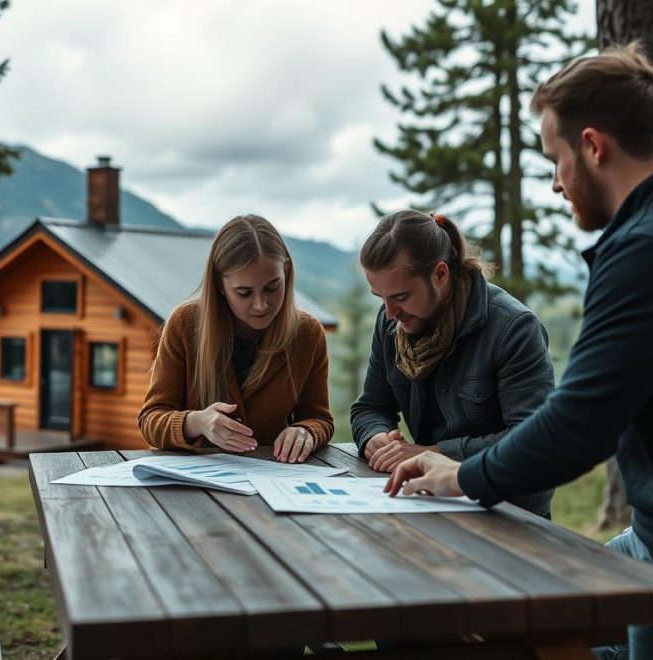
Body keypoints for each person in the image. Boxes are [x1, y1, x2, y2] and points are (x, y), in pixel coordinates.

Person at [385, 43, 653, 660]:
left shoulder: (638, 249)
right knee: (539, 616)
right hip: (644, 535)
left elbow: (579, 424)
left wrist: (462, 476)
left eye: (556, 159)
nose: (556, 183)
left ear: (593, 146)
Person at [351, 209, 555, 517]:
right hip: (431, 504)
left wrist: (434, 454)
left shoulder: (513, 329)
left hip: (509, 514)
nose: (390, 313)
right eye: (381, 298)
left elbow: (534, 441)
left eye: (401, 296)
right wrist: (376, 437)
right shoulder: (391, 322)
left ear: (441, 274)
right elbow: (370, 408)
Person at [138, 213, 334, 463]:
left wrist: (307, 431)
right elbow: (150, 420)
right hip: (194, 485)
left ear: (287, 271)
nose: (261, 305)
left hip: (271, 481)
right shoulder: (185, 324)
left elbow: (320, 419)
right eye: (244, 292)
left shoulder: (307, 333)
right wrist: (196, 422)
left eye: (273, 287)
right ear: (219, 284)